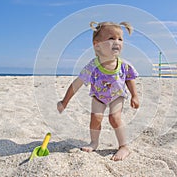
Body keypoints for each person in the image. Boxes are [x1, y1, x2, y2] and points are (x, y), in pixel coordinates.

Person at [57, 21, 139, 161]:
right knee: (95, 119)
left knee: (114, 118)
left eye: (120, 39)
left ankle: (124, 146)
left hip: (117, 96)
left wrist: (134, 95)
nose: (117, 42)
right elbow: (76, 84)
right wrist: (64, 101)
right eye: (111, 38)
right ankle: (94, 142)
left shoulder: (124, 65)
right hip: (98, 96)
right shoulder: (92, 66)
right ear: (97, 44)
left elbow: (129, 79)